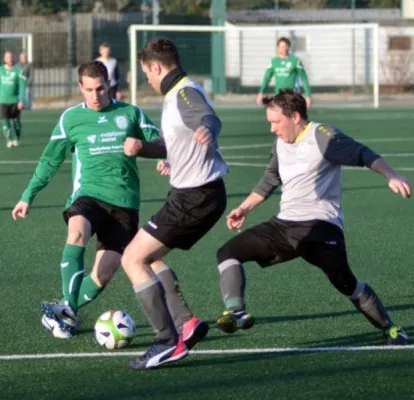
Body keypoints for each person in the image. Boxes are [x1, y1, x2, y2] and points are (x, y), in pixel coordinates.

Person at [12, 60, 201, 342]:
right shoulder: (71, 118)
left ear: (108, 85)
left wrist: (165, 158)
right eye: (88, 90)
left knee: (103, 275)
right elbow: (50, 161)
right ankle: (66, 306)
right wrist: (27, 196)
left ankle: (66, 310)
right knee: (76, 234)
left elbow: (158, 139)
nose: (95, 95)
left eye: (100, 88)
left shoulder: (130, 112)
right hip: (88, 196)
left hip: (124, 204)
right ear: (80, 87)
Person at [215, 89, 410, 346]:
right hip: (284, 225)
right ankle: (236, 311)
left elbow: (363, 154)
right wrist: (244, 208)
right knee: (228, 252)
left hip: (320, 227)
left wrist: (391, 175)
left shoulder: (322, 136)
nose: (273, 129)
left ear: (295, 117)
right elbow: (270, 179)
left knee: (345, 283)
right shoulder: (281, 143)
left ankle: (391, 329)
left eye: (276, 122)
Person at [121, 37, 228, 370]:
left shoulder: (183, 93)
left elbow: (208, 118)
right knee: (150, 258)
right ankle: (186, 323)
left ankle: (167, 342)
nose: (147, 81)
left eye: (146, 74)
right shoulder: (176, 94)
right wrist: (144, 148)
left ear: (156, 66)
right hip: (198, 194)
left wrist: (208, 130)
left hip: (194, 197)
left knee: (132, 258)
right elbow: (171, 143)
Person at [256, 37, 312, 109]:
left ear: (289, 47)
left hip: (292, 95)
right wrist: (261, 92)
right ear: (278, 47)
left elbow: (304, 78)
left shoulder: (295, 61)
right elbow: (267, 78)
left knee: (292, 117)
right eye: (282, 46)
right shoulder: (274, 61)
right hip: (278, 95)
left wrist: (308, 95)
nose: (284, 48)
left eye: (286, 46)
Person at [0, 51, 26, 148]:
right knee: (5, 122)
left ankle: (17, 139)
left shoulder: (19, 71)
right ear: (4, 59)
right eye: (7, 57)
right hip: (3, 101)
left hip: (15, 101)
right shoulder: (0, 70)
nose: (9, 59)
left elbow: (23, 87)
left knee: (16, 122)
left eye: (10, 57)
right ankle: (9, 140)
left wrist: (21, 100)